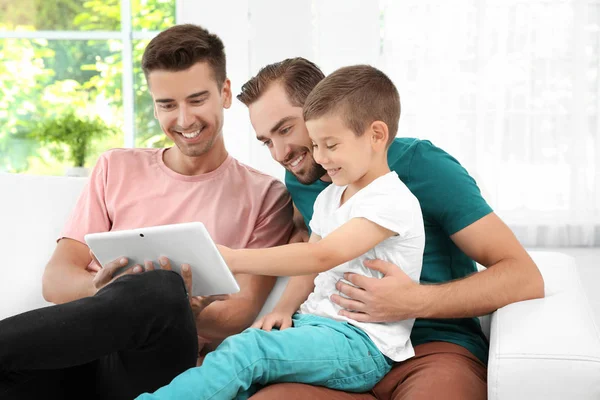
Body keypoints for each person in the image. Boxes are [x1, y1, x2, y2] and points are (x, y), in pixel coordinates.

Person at [0, 24, 294, 400]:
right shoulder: (115, 168)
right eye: (167, 105)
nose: (184, 120)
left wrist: (173, 304)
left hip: (153, 369)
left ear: (224, 93)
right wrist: (105, 290)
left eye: (196, 99)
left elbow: (239, 315)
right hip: (76, 358)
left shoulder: (266, 196)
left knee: (163, 285)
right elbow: (55, 279)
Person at [236, 57, 546, 400]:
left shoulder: (422, 164)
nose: (280, 153)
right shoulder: (303, 180)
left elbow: (524, 276)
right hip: (337, 347)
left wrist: (415, 301)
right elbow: (316, 248)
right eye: (266, 140)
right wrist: (283, 308)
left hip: (433, 348)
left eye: (285, 129)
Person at [138, 65, 426, 400]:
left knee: (250, 350)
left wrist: (234, 259)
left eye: (330, 145)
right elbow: (311, 265)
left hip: (361, 344)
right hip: (317, 326)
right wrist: (285, 308)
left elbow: (322, 254)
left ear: (376, 136)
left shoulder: (390, 200)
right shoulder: (332, 195)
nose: (320, 157)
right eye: (316, 144)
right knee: (240, 377)